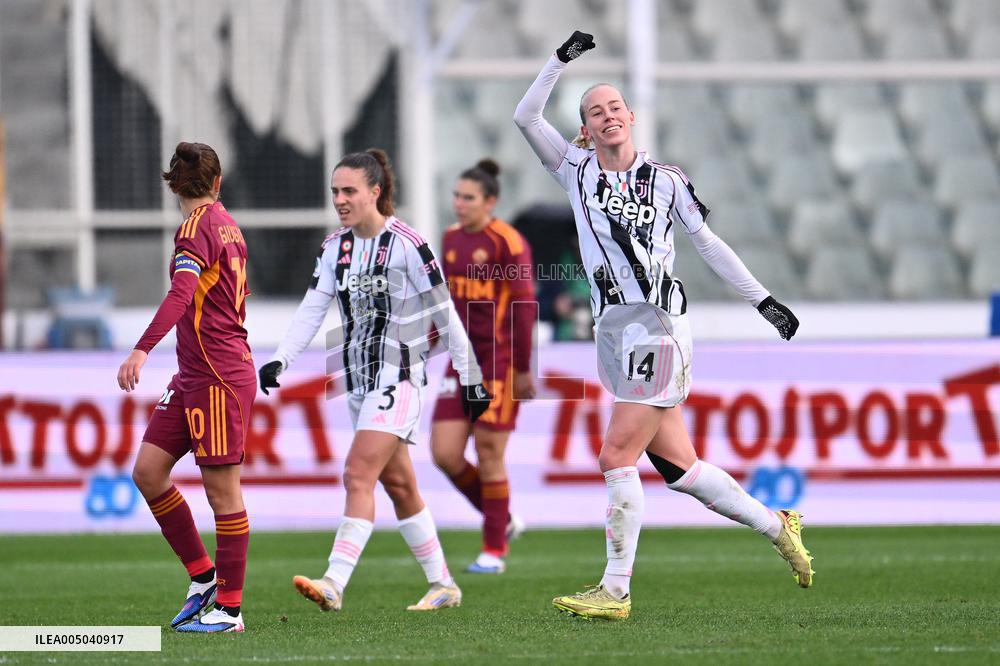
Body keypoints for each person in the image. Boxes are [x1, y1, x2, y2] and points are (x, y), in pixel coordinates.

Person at [513, 31, 812, 621]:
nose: (608, 116)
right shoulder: (573, 171)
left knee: (616, 454)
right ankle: (777, 524)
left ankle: (616, 590)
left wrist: (763, 299)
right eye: (595, 112)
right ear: (585, 131)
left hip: (659, 325)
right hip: (614, 329)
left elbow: (709, 244)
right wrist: (558, 62)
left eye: (615, 106)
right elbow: (525, 115)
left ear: (631, 117)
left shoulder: (668, 181)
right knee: (680, 469)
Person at [257, 149, 492, 613]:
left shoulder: (408, 244)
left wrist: (471, 376)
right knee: (399, 484)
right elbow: (312, 308)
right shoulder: (333, 248)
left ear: (375, 192)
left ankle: (334, 582)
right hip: (357, 378)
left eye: (348, 191)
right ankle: (443, 584)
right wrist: (281, 360)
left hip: (400, 374)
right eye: (335, 192)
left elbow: (444, 313)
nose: (339, 200)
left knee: (356, 472)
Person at [117, 141, 254, 633]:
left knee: (223, 493)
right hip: (196, 375)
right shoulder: (227, 225)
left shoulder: (196, 230)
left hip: (217, 376)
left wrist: (141, 348)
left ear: (172, 184)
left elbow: (183, 292)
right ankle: (203, 580)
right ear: (217, 183)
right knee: (149, 472)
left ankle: (230, 611)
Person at [430, 159, 536, 574]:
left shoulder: (508, 242)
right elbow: (447, 304)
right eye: (456, 196)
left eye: (468, 197)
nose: (459, 204)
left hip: (500, 362)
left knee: (489, 452)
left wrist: (525, 369)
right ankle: (503, 518)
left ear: (490, 202)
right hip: (461, 363)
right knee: (445, 454)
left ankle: (493, 551)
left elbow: (524, 308)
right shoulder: (451, 239)